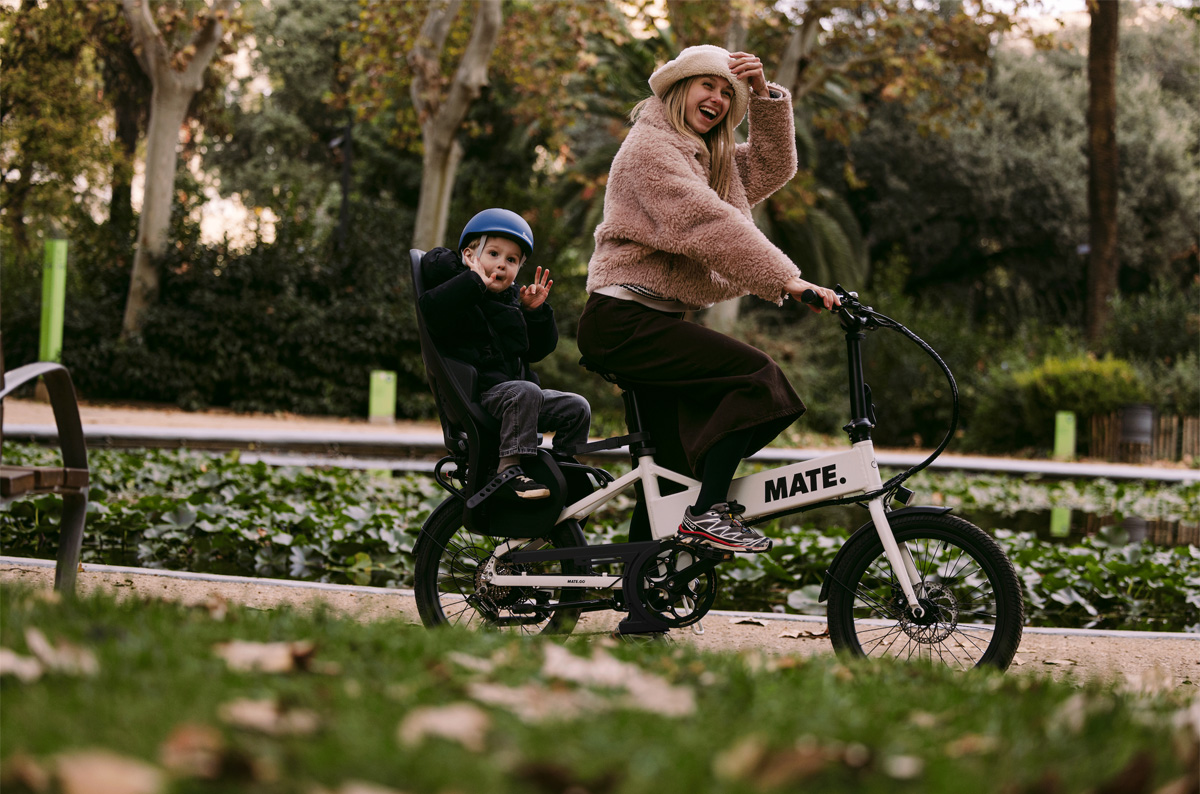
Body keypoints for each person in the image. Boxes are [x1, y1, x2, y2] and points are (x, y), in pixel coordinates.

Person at [577, 45, 840, 552]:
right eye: (708, 86)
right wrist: (786, 278)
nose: (718, 99)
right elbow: (706, 221)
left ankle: (643, 602)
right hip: (623, 321)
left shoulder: (705, 158)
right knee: (757, 380)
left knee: (669, 479)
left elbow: (770, 167)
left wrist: (763, 97)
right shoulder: (651, 150)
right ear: (679, 89)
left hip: (649, 321)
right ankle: (708, 513)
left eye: (728, 93)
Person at [420, 208, 591, 500]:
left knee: (577, 407)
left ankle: (564, 469)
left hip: (514, 397)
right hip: (481, 395)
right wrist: (472, 283)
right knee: (525, 391)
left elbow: (535, 351)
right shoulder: (454, 287)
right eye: (494, 254)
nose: (501, 265)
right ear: (469, 255)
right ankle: (509, 471)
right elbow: (432, 311)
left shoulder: (508, 301)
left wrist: (533, 313)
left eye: (511, 260)